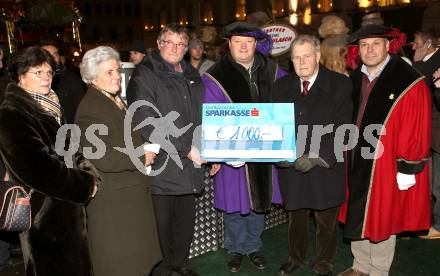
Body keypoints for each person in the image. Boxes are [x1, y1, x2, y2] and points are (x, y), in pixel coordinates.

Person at [338, 24, 432, 276]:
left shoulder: (408, 80)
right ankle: (359, 266)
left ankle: (378, 270)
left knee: (382, 215)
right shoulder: (356, 77)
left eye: (375, 44)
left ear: (388, 45)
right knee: (358, 210)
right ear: (357, 50)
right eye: (364, 45)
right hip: (357, 156)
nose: (370, 50)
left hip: (387, 162)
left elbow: (416, 126)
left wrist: (408, 166)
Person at [0, 46, 100, 276]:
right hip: (44, 214)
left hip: (67, 209)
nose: (46, 78)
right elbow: (37, 168)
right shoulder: (13, 111)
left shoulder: (49, 106)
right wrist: (83, 185)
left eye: (48, 72)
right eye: (38, 72)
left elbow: (71, 147)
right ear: (20, 75)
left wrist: (89, 172)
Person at [203, 21, 286, 273]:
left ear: (255, 45)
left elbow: (286, 104)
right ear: (229, 44)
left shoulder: (273, 71)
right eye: (237, 42)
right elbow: (211, 114)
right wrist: (225, 152)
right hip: (232, 150)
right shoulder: (215, 76)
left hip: (264, 150)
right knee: (234, 200)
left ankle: (253, 245)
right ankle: (234, 248)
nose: (243, 46)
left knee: (258, 199)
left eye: (248, 42)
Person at [126, 23, 206, 276]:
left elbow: (202, 116)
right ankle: (163, 270)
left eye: (180, 44)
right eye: (169, 42)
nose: (175, 48)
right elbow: (146, 119)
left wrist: (211, 150)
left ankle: (180, 264)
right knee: (161, 226)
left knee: (185, 222)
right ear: (159, 44)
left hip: (191, 163)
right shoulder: (145, 73)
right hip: (163, 164)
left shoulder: (192, 74)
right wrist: (185, 149)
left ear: (187, 48)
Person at [75, 46, 162, 276]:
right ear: (93, 78)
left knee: (136, 263)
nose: (116, 77)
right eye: (108, 73)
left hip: (128, 195)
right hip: (115, 202)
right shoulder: (90, 109)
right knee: (120, 264)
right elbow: (103, 157)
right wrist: (141, 154)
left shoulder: (112, 100)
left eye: (116, 71)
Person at [272, 35, 352, 276]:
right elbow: (275, 126)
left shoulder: (340, 84)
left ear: (318, 56)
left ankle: (324, 263)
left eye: (306, 56)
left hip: (325, 165)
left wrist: (316, 156)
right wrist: (278, 153)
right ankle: (296, 258)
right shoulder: (280, 87)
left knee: (326, 219)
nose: (302, 62)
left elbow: (343, 128)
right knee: (295, 216)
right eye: (296, 58)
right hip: (292, 165)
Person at [411, 31, 440, 240]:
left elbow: (417, 84)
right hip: (427, 129)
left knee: (438, 181)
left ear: (428, 43)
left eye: (417, 43)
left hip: (437, 130)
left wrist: (417, 63)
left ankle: (438, 225)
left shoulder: (433, 62)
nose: (413, 46)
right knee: (431, 179)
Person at [40, 39, 85, 124]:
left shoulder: (71, 79)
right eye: (47, 55)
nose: (52, 58)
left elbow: (82, 111)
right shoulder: (33, 80)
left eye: (55, 54)